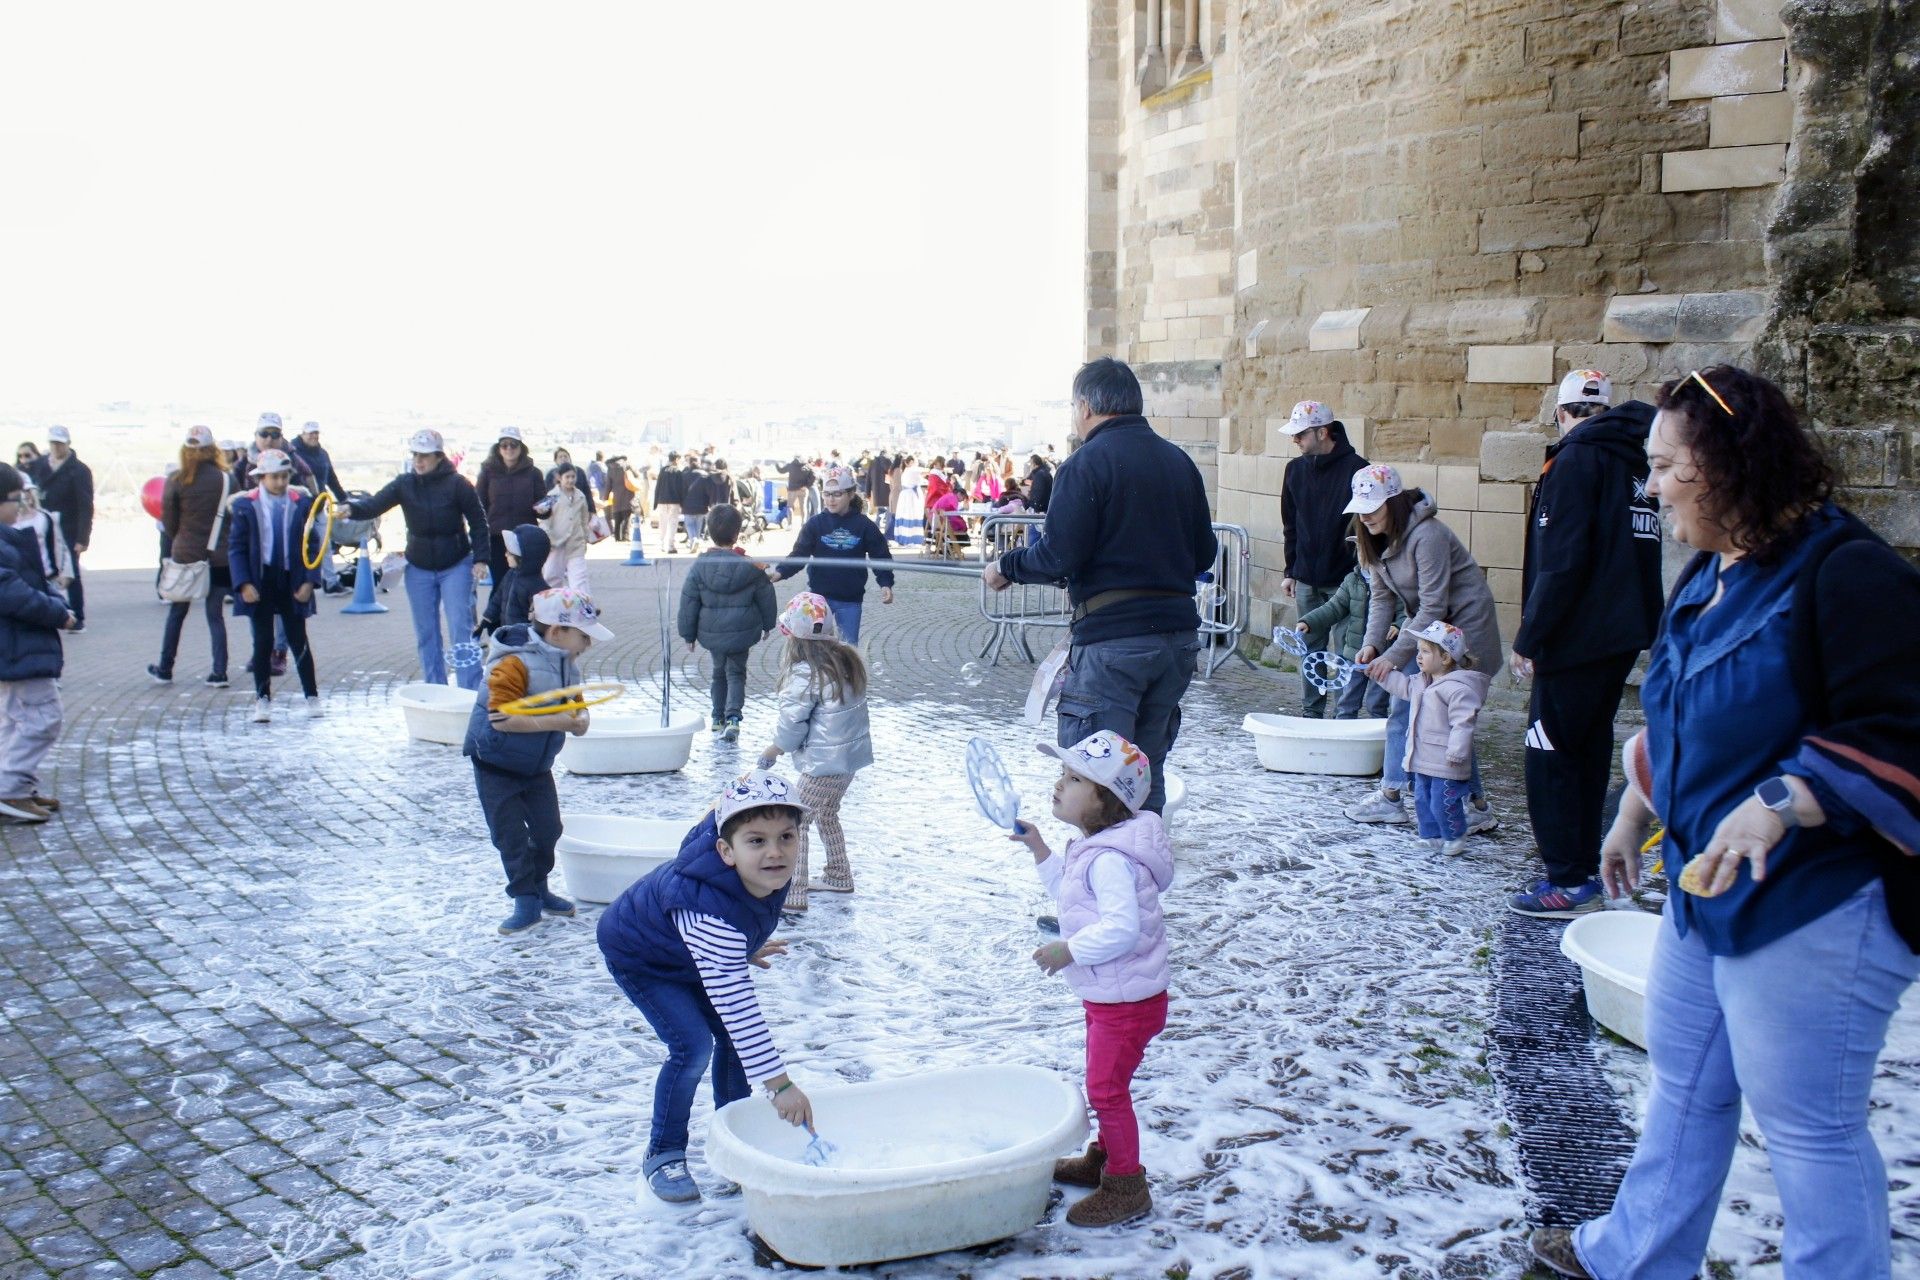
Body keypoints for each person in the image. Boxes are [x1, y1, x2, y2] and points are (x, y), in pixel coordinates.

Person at [1526, 365, 1920, 1280]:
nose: (1651, 487)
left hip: (1817, 906)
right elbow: (1690, 719)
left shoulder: (1846, 572)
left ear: (1733, 464)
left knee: (1810, 1130)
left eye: (1667, 467)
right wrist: (1631, 810)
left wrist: (1786, 801)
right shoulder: (1712, 573)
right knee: (1685, 1091)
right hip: (1707, 898)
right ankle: (1635, 1255)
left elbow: (1901, 727)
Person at [983, 357, 1216, 815]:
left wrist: (1006, 566)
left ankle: (1106, 878)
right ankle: (1144, 869)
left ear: (1086, 406)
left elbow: (1059, 555)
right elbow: (1204, 554)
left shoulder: (1086, 463)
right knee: (1144, 770)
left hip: (1114, 643)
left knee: (1098, 778)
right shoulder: (1178, 461)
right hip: (1176, 640)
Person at [597, 769, 816, 1203]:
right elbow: (739, 1008)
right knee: (693, 1046)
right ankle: (664, 1153)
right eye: (756, 840)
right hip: (643, 957)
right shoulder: (705, 911)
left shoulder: (757, 866)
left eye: (786, 837)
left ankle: (733, 1143)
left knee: (733, 1045)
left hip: (687, 949)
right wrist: (781, 1086)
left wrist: (741, 947)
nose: (775, 852)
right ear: (725, 851)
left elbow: (735, 912)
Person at [1508, 370, 1664, 919]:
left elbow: (1564, 558)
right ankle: (1585, 861)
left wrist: (1531, 636)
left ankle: (1568, 878)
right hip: (1617, 632)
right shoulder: (1633, 463)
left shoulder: (1576, 461)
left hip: (1576, 635)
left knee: (1549, 752)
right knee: (1588, 747)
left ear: (1561, 413)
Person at [1009, 729, 1173, 1228]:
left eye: (1074, 778)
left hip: (1126, 1000)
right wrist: (1038, 847)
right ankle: (1105, 1158)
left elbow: (1121, 930)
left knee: (1106, 1090)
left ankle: (1127, 1186)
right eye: (1063, 774)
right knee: (1109, 1083)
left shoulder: (1109, 860)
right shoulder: (1095, 847)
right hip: (1116, 994)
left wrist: (1070, 949)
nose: (1059, 784)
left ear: (1105, 800)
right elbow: (1070, 892)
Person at [1344, 464, 1504, 832]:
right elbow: (1381, 599)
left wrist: (1392, 657)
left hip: (1463, 632)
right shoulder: (1370, 538)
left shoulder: (1428, 535)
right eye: (1361, 507)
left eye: (1374, 505)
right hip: (1430, 633)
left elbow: (1433, 604)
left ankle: (1396, 796)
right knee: (1428, 717)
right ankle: (1464, 803)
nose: (1365, 515)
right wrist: (1371, 645)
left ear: (1395, 502)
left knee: (1432, 715)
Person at [462, 587, 606, 936]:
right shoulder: (511, 663)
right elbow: (500, 720)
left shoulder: (566, 664)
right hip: (495, 763)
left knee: (548, 830)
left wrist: (581, 718)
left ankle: (539, 886)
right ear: (557, 632)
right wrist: (559, 722)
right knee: (510, 835)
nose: (588, 643)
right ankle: (524, 897)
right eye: (583, 636)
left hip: (536, 766)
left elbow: (576, 706)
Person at [343, 429, 489, 690]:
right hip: (418, 567)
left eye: (425, 456)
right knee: (426, 633)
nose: (419, 461)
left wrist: (481, 559)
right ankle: (435, 688)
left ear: (438, 457)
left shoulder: (458, 484)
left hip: (455, 563)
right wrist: (350, 509)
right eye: (415, 455)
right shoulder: (404, 484)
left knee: (461, 629)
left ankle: (470, 689)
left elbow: (478, 522)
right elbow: (374, 505)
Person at [756, 593, 872, 911]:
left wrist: (775, 749)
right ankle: (838, 874)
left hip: (825, 762)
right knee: (826, 813)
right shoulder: (843, 660)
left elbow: (793, 724)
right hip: (846, 759)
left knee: (797, 820)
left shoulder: (807, 673)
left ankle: (792, 892)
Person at [1361, 622, 1489, 855]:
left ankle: (1454, 836)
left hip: (1446, 761)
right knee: (1423, 800)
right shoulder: (1422, 681)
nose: (1418, 657)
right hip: (1422, 759)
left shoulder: (1459, 689)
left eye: (1425, 652)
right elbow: (1401, 685)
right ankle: (1431, 836)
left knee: (1444, 802)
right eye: (1418, 651)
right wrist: (1378, 674)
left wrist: (1457, 752)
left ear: (1446, 657)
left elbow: (1463, 723)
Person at [1279, 400, 1369, 719]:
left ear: (1321, 432)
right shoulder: (1294, 470)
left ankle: (1343, 717)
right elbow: (1291, 525)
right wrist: (1291, 570)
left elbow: (1368, 526)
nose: (1296, 440)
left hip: (1346, 580)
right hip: (1306, 578)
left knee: (1346, 652)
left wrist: (1365, 575)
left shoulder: (1358, 469)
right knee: (1310, 651)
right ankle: (1311, 714)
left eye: (1301, 434)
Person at [0, 463, 78, 825]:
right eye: (15, 500)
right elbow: (13, 594)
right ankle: (11, 789)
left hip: (18, 647)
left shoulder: (7, 539)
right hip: (17, 646)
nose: (20, 507)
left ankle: (17, 785)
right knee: (43, 718)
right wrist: (56, 612)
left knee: (16, 719)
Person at [226, 449, 323, 723]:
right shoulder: (246, 506)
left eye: (284, 476)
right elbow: (237, 548)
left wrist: (309, 580)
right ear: (262, 477)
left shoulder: (301, 503)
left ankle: (312, 696)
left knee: (298, 639)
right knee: (262, 642)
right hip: (261, 579)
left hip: (291, 577)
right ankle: (262, 699)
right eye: (274, 477)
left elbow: (312, 544)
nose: (280, 482)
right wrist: (244, 583)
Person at [678, 504, 777, 742]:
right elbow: (766, 595)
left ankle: (717, 717)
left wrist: (688, 635)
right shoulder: (751, 566)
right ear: (736, 533)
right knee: (736, 673)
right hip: (742, 632)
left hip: (712, 632)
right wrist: (768, 624)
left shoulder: (700, 567)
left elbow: (689, 601)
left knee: (717, 673)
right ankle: (733, 718)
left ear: (710, 532)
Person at [148, 426, 234, 688]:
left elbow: (169, 523)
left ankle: (166, 668)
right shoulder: (227, 479)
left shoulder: (176, 480)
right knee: (215, 615)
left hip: (186, 555)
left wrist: (182, 540)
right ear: (213, 450)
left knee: (177, 612)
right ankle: (219, 672)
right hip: (219, 556)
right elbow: (233, 519)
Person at [770, 464, 894, 643]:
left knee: (848, 649)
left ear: (851, 494)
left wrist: (885, 583)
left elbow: (880, 555)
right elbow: (799, 553)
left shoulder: (864, 525)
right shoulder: (815, 524)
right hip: (819, 600)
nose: (831, 499)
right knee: (817, 649)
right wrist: (780, 572)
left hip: (851, 600)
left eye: (837, 494)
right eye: (827, 494)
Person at [1291, 539, 1395, 720]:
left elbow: (1404, 611)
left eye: (1367, 550)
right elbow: (1333, 607)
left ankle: (1379, 740)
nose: (1362, 555)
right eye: (1360, 551)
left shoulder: (1392, 582)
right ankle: (1343, 734)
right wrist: (1309, 621)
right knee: (1346, 703)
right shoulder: (1351, 580)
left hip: (1382, 657)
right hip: (1354, 656)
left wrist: (1397, 625)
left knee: (1376, 704)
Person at [475, 428, 546, 624]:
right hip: (497, 538)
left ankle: (527, 625)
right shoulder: (487, 473)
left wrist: (544, 509)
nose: (508, 449)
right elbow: (478, 506)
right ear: (498, 448)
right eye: (504, 445)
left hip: (526, 539)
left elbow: (543, 504)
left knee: (526, 583)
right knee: (501, 583)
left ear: (521, 447)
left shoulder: (533, 473)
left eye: (513, 444)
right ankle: (494, 628)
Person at [26, 426, 93, 632]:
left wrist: (82, 538)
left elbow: (85, 506)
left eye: (60, 443)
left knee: (71, 572)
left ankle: (77, 615)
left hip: (67, 527)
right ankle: (44, 612)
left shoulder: (79, 470)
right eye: (52, 443)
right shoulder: (38, 466)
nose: (56, 447)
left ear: (68, 444)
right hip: (41, 525)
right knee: (40, 569)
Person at [534, 466, 593, 593]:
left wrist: (585, 537)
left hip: (576, 543)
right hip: (556, 543)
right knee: (552, 577)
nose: (570, 480)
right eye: (567, 477)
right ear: (559, 478)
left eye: (573, 477)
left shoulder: (580, 496)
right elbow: (544, 521)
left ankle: (584, 607)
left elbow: (584, 519)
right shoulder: (551, 496)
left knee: (579, 578)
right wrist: (548, 538)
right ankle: (551, 605)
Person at [485, 525, 551, 633]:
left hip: (524, 639)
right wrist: (486, 619)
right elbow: (497, 599)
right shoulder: (510, 574)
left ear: (525, 557)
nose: (505, 555)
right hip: (507, 632)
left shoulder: (537, 586)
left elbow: (542, 619)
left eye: (510, 553)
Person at [236, 413, 316, 492]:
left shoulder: (292, 458)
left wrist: (315, 497)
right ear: (255, 435)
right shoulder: (243, 463)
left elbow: (309, 475)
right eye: (264, 434)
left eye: (275, 434)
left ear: (281, 437)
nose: (269, 439)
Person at [652, 450, 685, 553]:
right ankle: (670, 546)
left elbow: (657, 487)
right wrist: (683, 503)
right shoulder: (678, 472)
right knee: (673, 523)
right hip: (674, 501)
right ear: (676, 459)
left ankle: (662, 544)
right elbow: (682, 489)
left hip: (662, 501)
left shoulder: (662, 471)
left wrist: (655, 502)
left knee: (663, 523)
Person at [677, 456, 712, 548]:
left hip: (688, 506)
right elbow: (709, 491)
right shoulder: (705, 475)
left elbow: (681, 491)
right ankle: (696, 541)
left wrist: (681, 504)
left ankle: (694, 540)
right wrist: (708, 503)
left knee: (689, 525)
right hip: (702, 506)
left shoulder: (684, 475)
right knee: (698, 525)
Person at [605, 455, 635, 543]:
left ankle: (617, 537)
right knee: (627, 517)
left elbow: (608, 485)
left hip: (617, 497)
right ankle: (625, 536)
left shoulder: (610, 469)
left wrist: (605, 497)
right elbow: (636, 476)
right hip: (628, 495)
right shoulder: (627, 465)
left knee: (617, 517)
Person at [782, 455, 814, 528]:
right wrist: (807, 486)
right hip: (803, 490)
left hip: (792, 490)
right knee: (803, 507)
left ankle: (790, 524)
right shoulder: (807, 466)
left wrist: (777, 465)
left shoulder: (791, 465)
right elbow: (813, 476)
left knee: (790, 506)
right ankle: (803, 524)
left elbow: (781, 470)